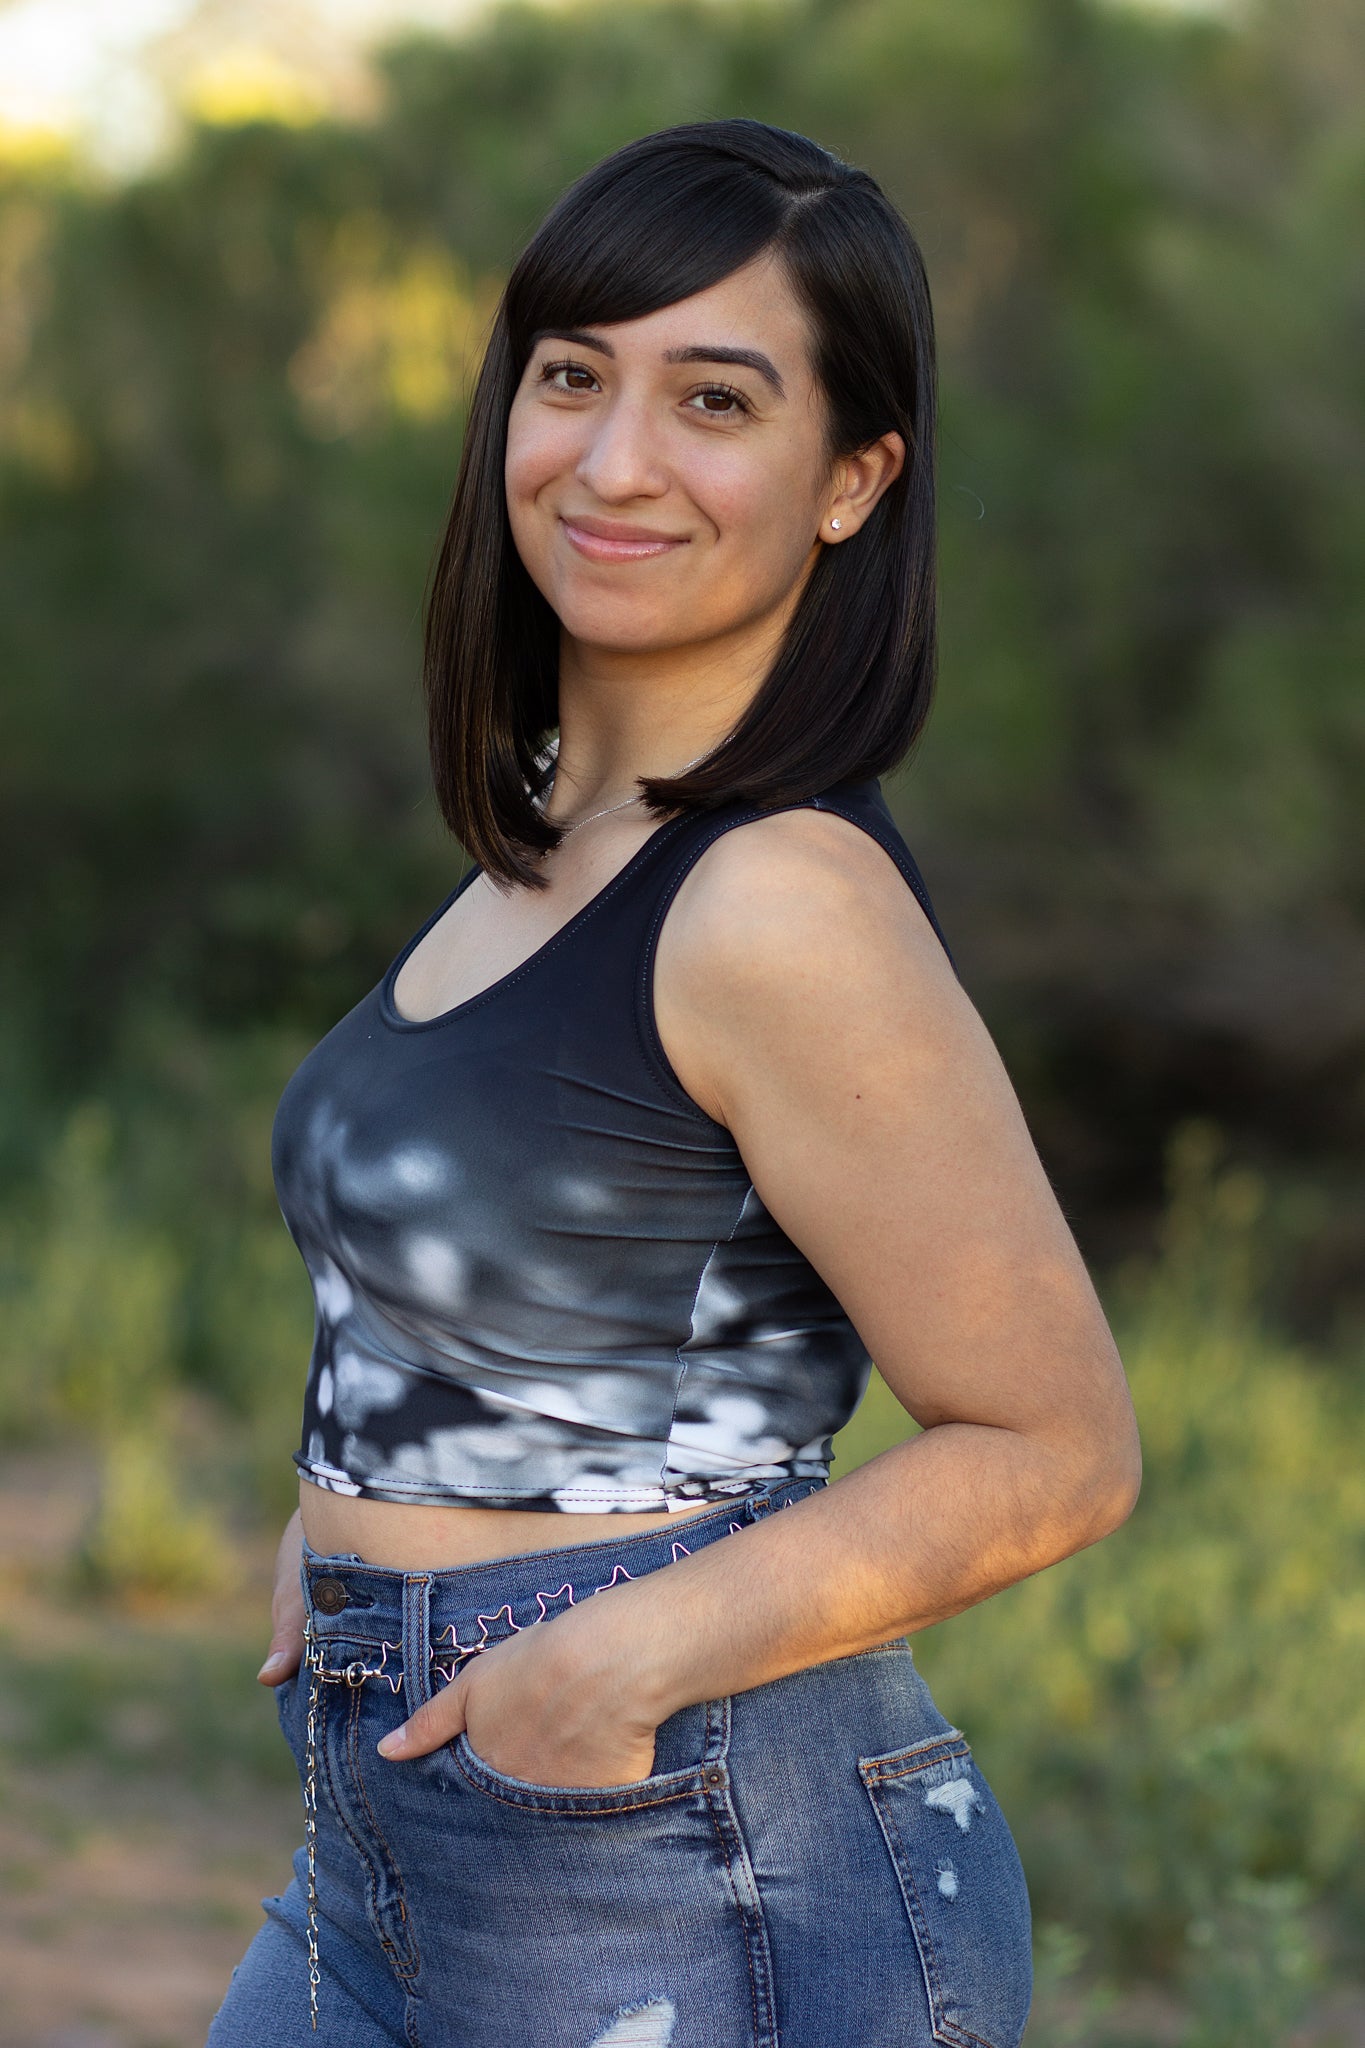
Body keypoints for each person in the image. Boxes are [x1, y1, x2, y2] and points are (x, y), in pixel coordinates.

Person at [209, 118, 1141, 2048]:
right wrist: (358, 1502)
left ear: (847, 480)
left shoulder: (775, 898)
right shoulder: (549, 849)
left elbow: (1050, 1445)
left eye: (714, 399)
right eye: (573, 377)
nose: (613, 460)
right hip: (393, 1826)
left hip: (684, 1862)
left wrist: (598, 1661)